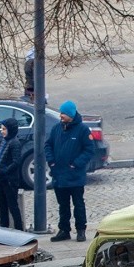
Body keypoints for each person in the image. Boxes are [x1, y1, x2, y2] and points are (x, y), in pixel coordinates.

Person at [45, 100, 94, 242]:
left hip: (75, 176)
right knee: (63, 205)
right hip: (59, 175)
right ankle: (64, 230)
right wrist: (51, 161)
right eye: (61, 113)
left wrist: (76, 164)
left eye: (64, 113)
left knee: (78, 204)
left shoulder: (83, 130)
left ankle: (80, 230)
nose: (61, 116)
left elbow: (89, 150)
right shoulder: (56, 129)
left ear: (71, 115)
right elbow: (48, 145)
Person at [0, 118, 24, 230]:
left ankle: (19, 229)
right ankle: (3, 229)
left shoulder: (14, 143)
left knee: (13, 207)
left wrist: (5, 171)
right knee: (2, 207)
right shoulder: (5, 141)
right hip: (2, 179)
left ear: (10, 130)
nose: (2, 131)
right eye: (1, 129)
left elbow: (16, 162)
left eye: (4, 129)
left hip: (10, 180)